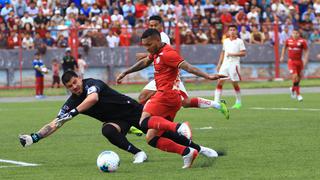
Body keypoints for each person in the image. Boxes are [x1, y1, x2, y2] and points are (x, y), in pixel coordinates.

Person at [19, 71, 218, 167]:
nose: (74, 87)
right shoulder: (71, 101)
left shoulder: (92, 84)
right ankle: (138, 153)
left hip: (133, 111)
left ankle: (199, 149)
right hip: (117, 122)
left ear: (79, 78)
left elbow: (93, 98)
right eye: (70, 86)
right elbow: (56, 123)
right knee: (107, 130)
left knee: (159, 137)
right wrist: (34, 137)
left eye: (74, 82)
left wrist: (74, 112)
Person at [117, 29, 226, 168]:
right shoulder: (156, 52)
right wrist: (126, 72)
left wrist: (208, 76)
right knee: (151, 138)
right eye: (145, 45)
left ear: (158, 40)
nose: (147, 48)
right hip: (171, 99)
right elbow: (144, 62)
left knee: (144, 122)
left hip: (166, 95)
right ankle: (187, 152)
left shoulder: (168, 53)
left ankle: (180, 127)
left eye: (149, 45)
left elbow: (188, 67)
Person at [136, 15, 229, 118]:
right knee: (185, 102)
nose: (153, 27)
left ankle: (141, 122)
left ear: (161, 25)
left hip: (168, 76)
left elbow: (161, 53)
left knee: (144, 97)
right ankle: (217, 105)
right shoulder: (154, 36)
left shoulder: (162, 37)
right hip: (163, 76)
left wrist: (143, 55)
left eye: (155, 25)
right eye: (151, 25)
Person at [214, 24, 247, 109]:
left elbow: (243, 53)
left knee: (234, 83)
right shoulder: (225, 41)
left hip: (234, 64)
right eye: (230, 30)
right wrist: (219, 64)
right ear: (228, 32)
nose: (232, 31)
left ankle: (238, 102)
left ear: (236, 31)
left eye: (233, 30)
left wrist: (233, 54)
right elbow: (223, 52)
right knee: (220, 81)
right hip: (225, 64)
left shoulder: (239, 41)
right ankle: (216, 102)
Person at [280, 29, 309, 101]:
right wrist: (282, 56)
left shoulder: (302, 41)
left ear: (299, 34)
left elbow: (306, 50)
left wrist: (305, 59)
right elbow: (284, 47)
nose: (295, 34)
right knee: (295, 76)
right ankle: (298, 95)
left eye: (296, 33)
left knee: (299, 77)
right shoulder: (288, 40)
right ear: (291, 33)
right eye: (293, 33)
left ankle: (293, 89)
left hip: (299, 61)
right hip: (291, 61)